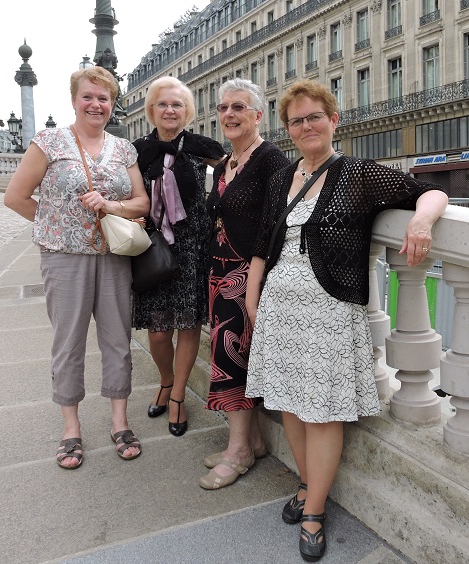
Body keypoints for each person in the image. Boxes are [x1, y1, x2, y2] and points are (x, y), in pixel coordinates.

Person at [244, 79, 448, 561]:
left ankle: (313, 509)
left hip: (328, 307)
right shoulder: (281, 178)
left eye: (316, 116)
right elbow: (261, 244)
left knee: (323, 410)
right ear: (288, 130)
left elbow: (431, 191)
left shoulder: (357, 173)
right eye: (297, 120)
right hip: (279, 306)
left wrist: (420, 223)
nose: (307, 126)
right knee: (290, 404)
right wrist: (254, 299)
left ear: (334, 121)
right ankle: (308, 484)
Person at [4, 66, 150, 469]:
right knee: (68, 343)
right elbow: (15, 197)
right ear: (74, 99)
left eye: (104, 98)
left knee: (118, 339)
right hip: (64, 258)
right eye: (88, 96)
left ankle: (119, 421)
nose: (96, 104)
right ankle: (71, 429)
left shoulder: (124, 149)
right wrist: (58, 225)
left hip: (115, 257)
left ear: (112, 104)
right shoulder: (50, 142)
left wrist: (113, 207)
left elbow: (142, 203)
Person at [199, 78, 291, 490]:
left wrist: (252, 289)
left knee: (233, 362)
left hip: (247, 278)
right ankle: (250, 442)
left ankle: (237, 452)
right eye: (223, 108)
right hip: (220, 276)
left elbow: (273, 225)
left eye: (239, 107)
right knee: (230, 357)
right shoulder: (224, 163)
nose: (229, 114)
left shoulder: (271, 159)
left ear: (259, 115)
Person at [132, 76, 225, 437]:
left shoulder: (204, 146)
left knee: (187, 325)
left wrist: (218, 212)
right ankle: (166, 380)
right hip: (153, 245)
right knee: (158, 333)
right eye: (163, 104)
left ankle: (178, 396)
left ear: (188, 111)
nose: (170, 110)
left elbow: (233, 176)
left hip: (193, 244)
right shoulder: (138, 150)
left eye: (178, 105)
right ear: (152, 110)